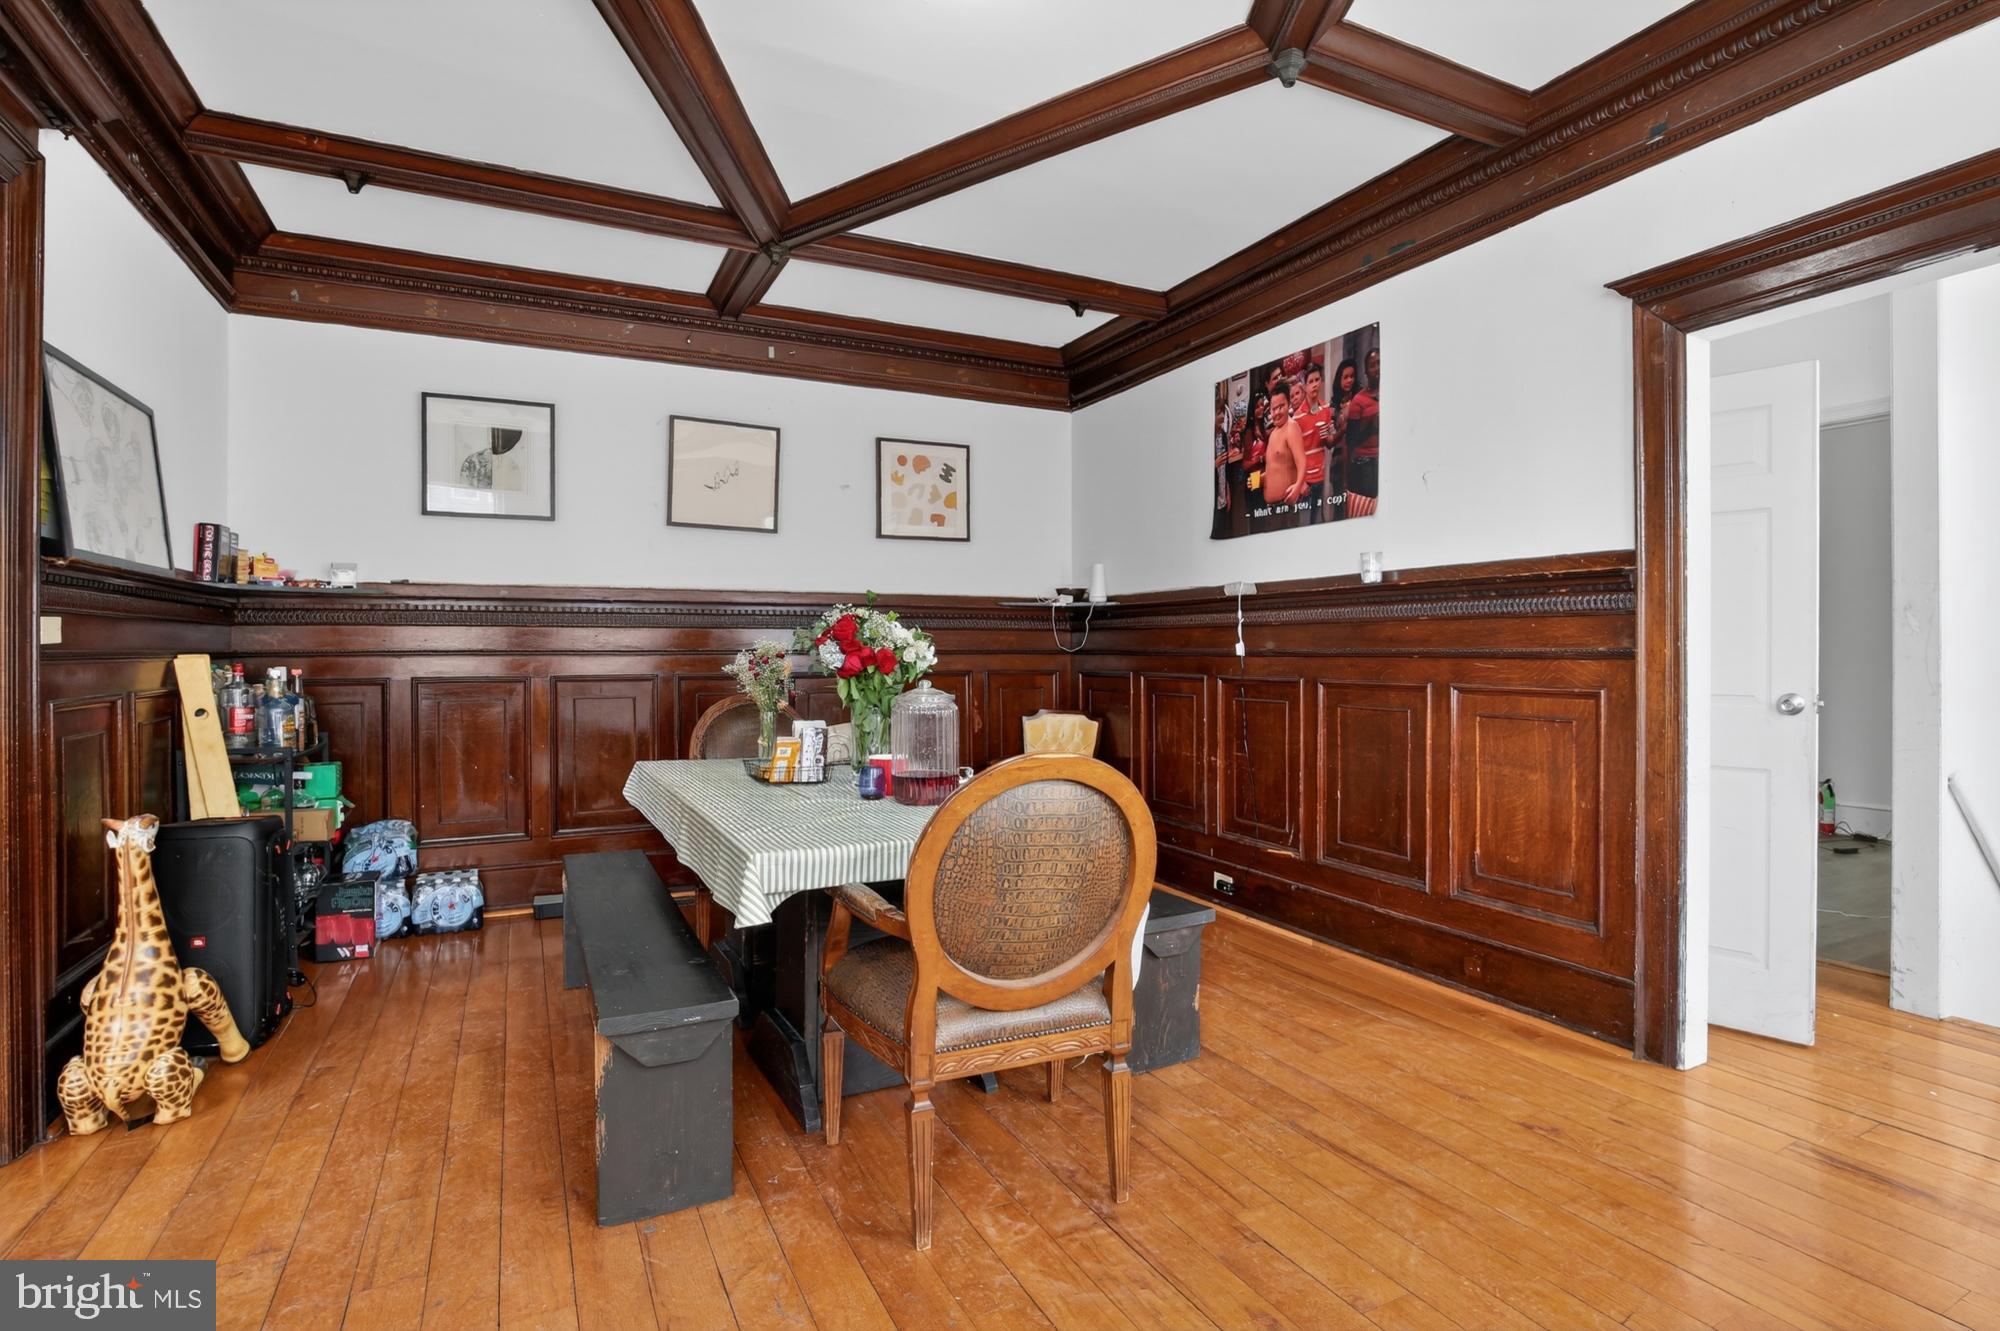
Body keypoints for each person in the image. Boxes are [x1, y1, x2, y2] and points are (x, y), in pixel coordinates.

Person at [1263, 378, 1309, 517]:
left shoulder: (1291, 427)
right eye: (1273, 409)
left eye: (1281, 407)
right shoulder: (1273, 433)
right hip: (1272, 508)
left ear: (1288, 404)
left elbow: (1302, 461)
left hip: (1286, 507)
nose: (1276, 412)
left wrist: (1298, 486)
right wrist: (1262, 478)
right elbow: (1277, 467)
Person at [1345, 349, 1381, 517]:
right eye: (1372, 365)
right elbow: (1351, 440)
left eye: (1379, 363)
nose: (1377, 368)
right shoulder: (1358, 401)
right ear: (1366, 371)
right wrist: (1372, 424)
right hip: (1366, 466)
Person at [1298, 362, 1334, 517]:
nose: (1314, 385)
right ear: (1305, 386)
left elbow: (1329, 442)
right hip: (1305, 481)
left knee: (1318, 519)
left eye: (1317, 380)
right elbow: (1295, 454)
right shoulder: (1297, 417)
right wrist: (1301, 482)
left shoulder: (1326, 409)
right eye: (1310, 381)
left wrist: (1328, 435)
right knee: (1305, 523)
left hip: (1320, 477)